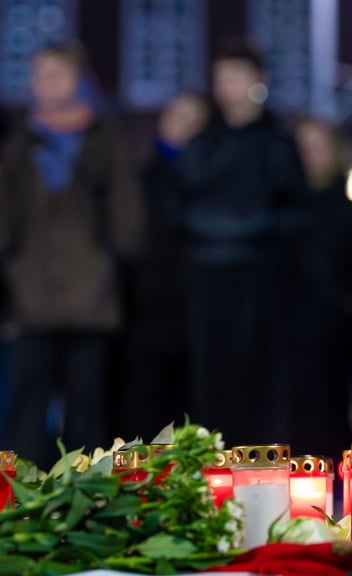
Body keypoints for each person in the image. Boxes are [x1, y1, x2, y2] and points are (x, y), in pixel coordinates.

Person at [0, 43, 142, 463]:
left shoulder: (104, 137)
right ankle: (22, 495)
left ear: (78, 78)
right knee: (27, 400)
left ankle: (87, 494)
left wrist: (117, 255)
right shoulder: (21, 141)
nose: (46, 82)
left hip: (91, 293)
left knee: (88, 404)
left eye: (56, 73)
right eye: (39, 74)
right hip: (32, 292)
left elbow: (126, 208)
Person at [177, 42, 308, 445]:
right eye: (221, 78)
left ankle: (259, 464)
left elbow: (296, 210)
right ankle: (208, 461)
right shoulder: (203, 142)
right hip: (207, 275)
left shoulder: (277, 143)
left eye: (235, 76)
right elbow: (177, 202)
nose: (227, 87)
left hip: (260, 278)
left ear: (258, 81)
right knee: (208, 374)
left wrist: (252, 228)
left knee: (258, 373)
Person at [120, 93, 209, 438]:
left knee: (190, 407)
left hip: (197, 309)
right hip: (146, 309)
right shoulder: (139, 180)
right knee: (145, 402)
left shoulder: (211, 184)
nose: (184, 127)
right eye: (177, 117)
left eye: (194, 119)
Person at [287, 118, 352, 456]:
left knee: (331, 403)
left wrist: (348, 306)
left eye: (318, 147)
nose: (310, 156)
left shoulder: (348, 212)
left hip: (334, 327)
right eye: (302, 148)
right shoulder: (281, 210)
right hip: (287, 325)